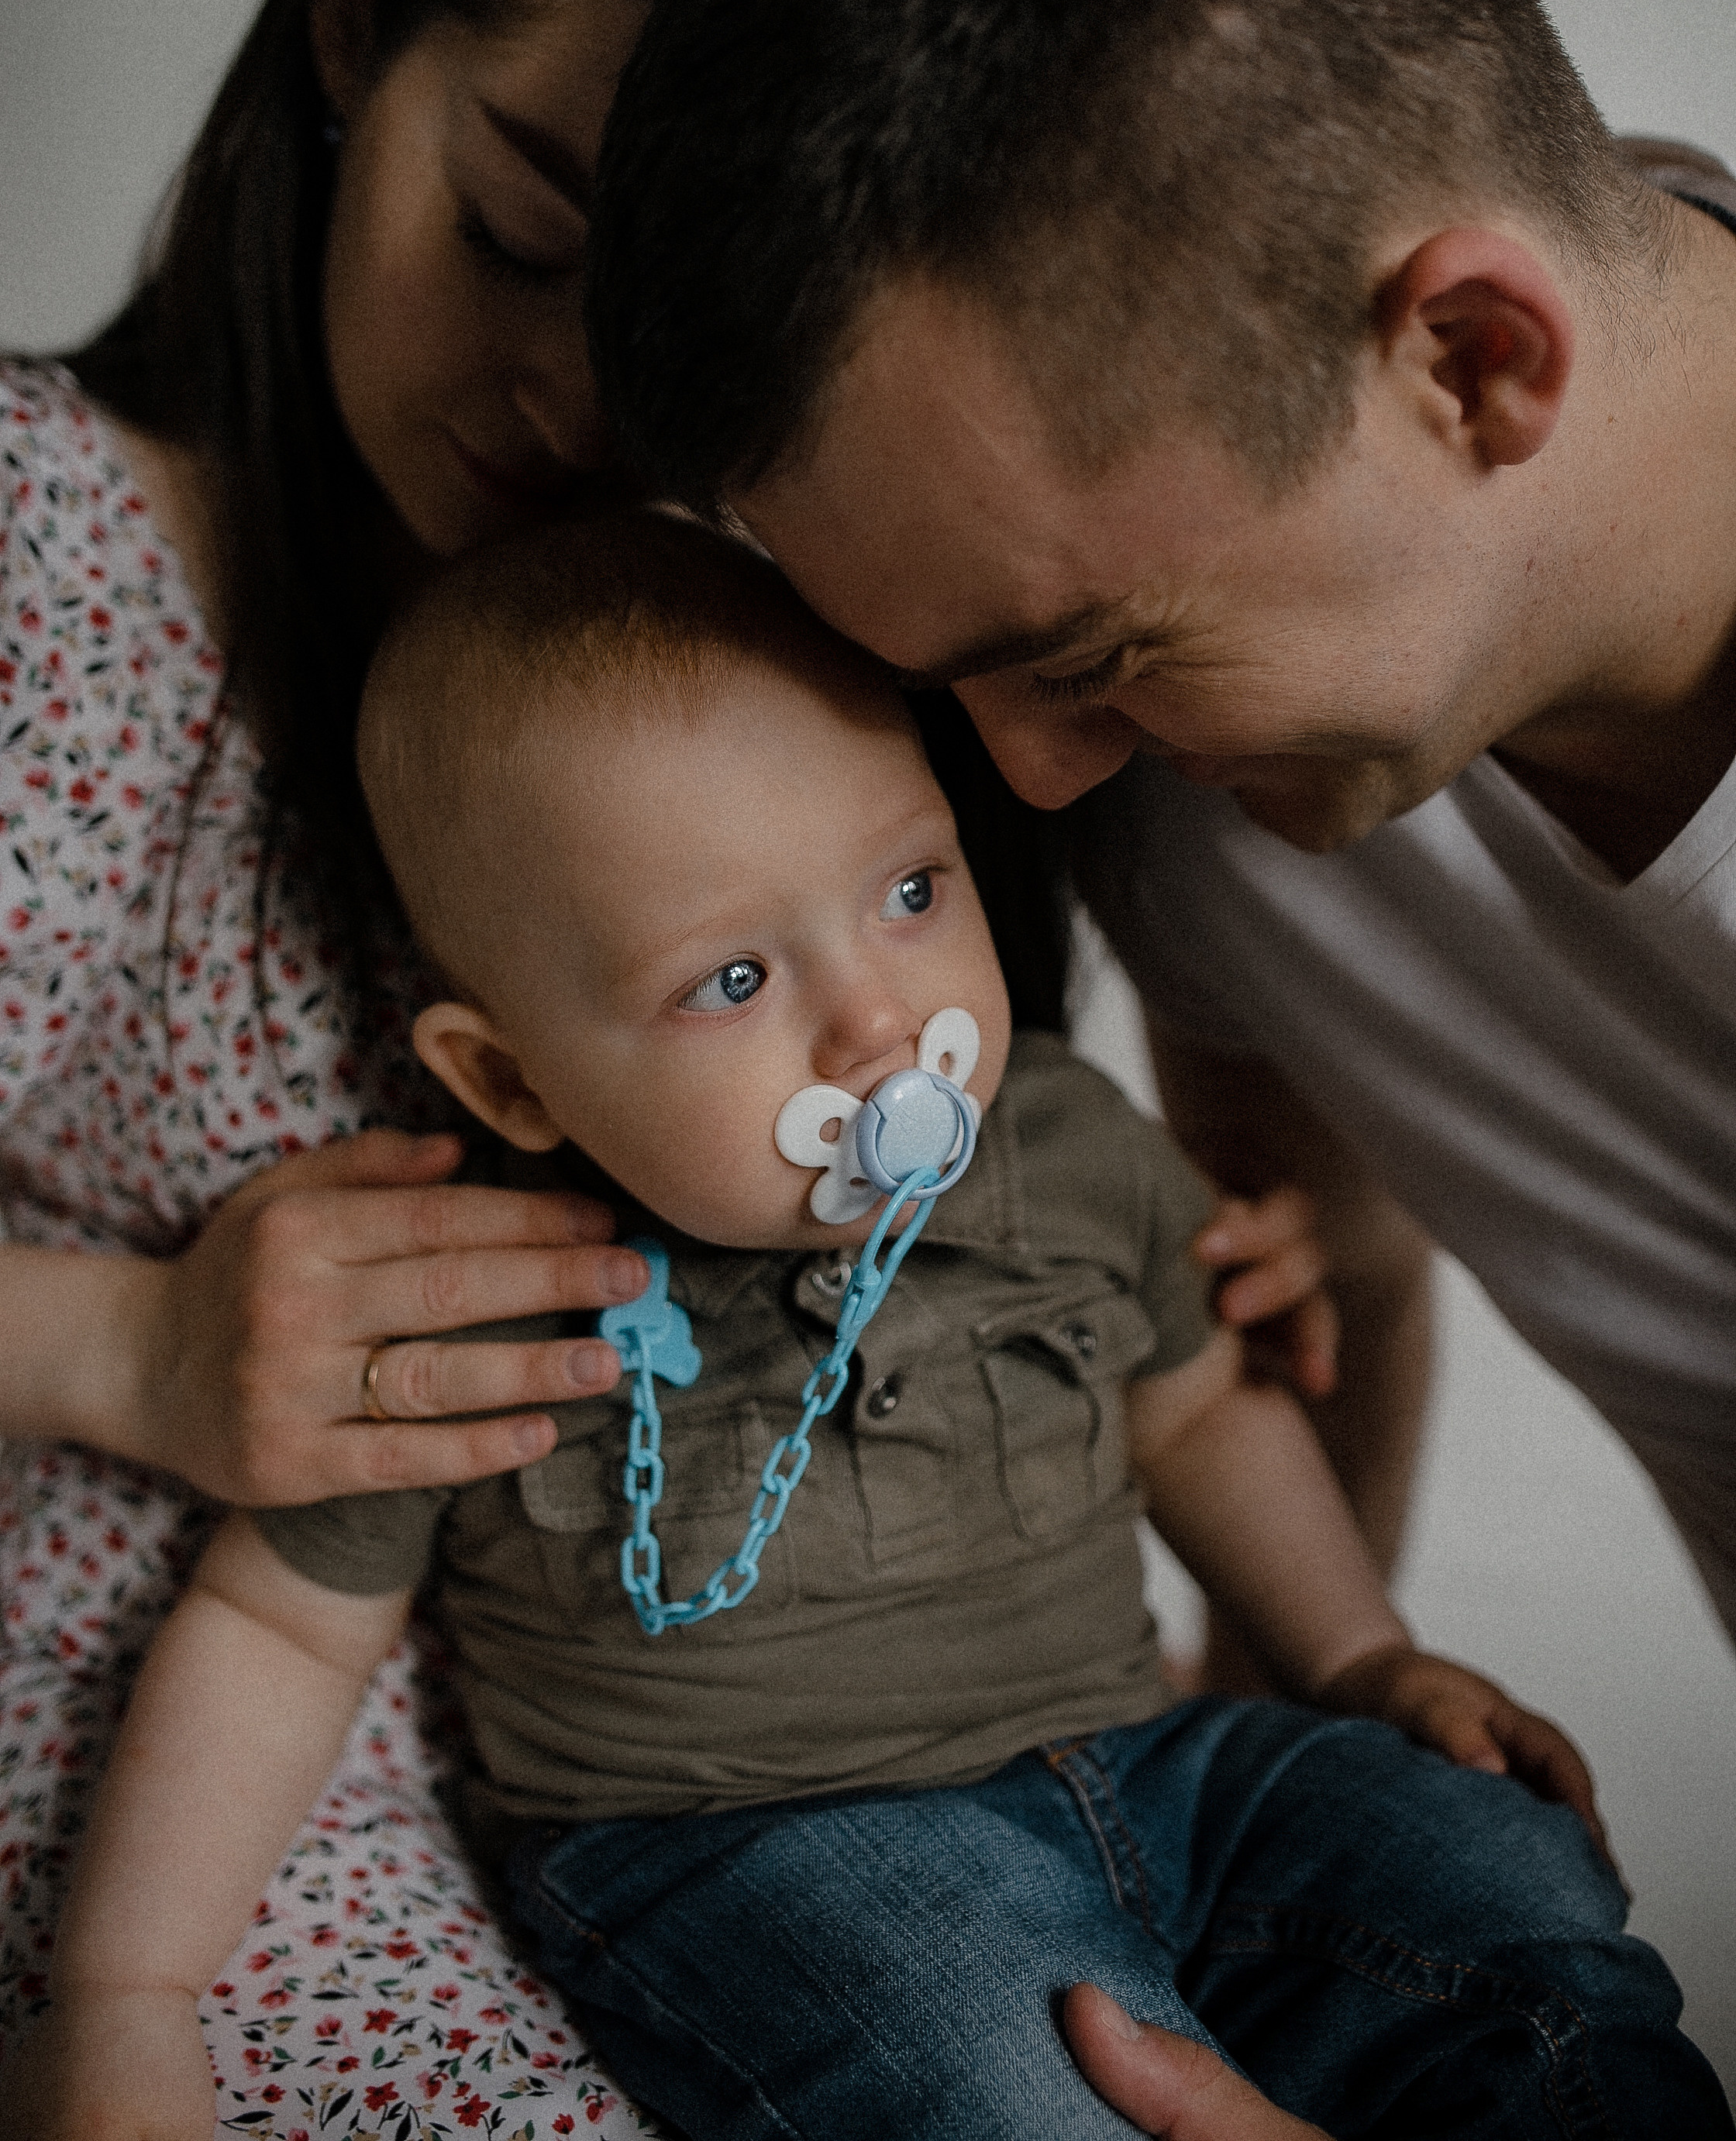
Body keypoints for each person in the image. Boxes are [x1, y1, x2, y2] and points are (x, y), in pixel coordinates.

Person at [7, 504, 1725, 2141]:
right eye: (735, 982)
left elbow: (1195, 1415)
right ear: (513, 1078)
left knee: (1500, 1893)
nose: (877, 1024)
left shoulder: (1061, 1148)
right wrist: (126, 1992)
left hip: (1153, 1759)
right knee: (997, 2077)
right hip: (755, 1848)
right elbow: (279, 1636)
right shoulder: (478, 1285)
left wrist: (1360, 1658)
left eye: (909, 892)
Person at [587, 0, 1736, 1667]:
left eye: (1095, 658)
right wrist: (1305, 1776)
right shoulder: (1209, 758)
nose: (1032, 782)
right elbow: (1319, 1260)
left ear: (1474, 362)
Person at [0, 0, 859, 2116]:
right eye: (519, 226)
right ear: (354, 23)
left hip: (636, 1796)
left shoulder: (703, 668)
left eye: (681, 336)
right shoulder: (67, 554)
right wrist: (131, 1354)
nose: (579, 400)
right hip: (160, 1772)